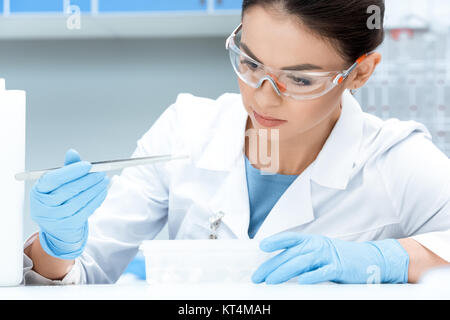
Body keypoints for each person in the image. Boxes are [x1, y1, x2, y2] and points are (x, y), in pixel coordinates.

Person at [23, 0, 449, 285]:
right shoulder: (186, 128)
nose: (263, 95)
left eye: (299, 79)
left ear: (360, 72)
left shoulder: (398, 160)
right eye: (250, 63)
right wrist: (56, 244)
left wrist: (389, 259)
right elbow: (81, 274)